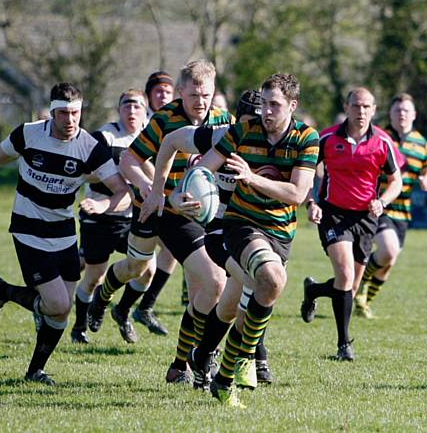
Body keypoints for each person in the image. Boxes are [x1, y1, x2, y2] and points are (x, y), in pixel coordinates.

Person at [0, 83, 128, 385]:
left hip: (64, 233)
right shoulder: (29, 134)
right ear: (51, 113)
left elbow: (122, 191)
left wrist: (103, 205)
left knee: (60, 310)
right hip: (28, 228)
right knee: (58, 305)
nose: (70, 120)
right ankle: (6, 298)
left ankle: (29, 357)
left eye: (75, 113)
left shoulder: (90, 147)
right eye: (63, 113)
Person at [87, 59, 233, 384]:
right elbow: (129, 159)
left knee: (210, 282)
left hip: (183, 215)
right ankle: (104, 296)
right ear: (181, 92)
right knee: (135, 268)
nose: (200, 101)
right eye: (193, 94)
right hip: (150, 206)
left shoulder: (225, 122)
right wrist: (150, 190)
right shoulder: (166, 120)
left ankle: (185, 363)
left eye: (206, 95)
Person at [189, 73, 319, 407]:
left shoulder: (306, 138)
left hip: (280, 233)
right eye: (264, 104)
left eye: (275, 105)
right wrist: (180, 193)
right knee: (272, 279)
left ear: (292, 105)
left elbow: (298, 193)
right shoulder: (243, 130)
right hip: (241, 224)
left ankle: (207, 357)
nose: (267, 112)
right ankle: (234, 368)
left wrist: (251, 178)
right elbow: (204, 168)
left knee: (238, 304)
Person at [140, 90, 274, 388]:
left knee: (229, 297)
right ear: (240, 120)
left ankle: (191, 359)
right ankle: (244, 358)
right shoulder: (220, 136)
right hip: (213, 228)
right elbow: (172, 140)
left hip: (250, 229)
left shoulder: (273, 144)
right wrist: (164, 191)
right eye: (252, 120)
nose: (258, 127)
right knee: (250, 281)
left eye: (262, 119)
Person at [300, 87, 402, 362]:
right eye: (356, 106)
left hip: (366, 218)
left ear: (374, 109)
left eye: (367, 107)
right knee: (344, 274)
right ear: (346, 107)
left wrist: (382, 202)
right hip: (333, 213)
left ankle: (314, 290)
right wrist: (312, 203)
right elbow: (305, 173)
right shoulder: (327, 138)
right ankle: (344, 344)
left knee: (351, 286)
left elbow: (396, 182)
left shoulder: (382, 143)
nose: (361, 112)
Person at [70, 89, 154, 345]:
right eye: (126, 106)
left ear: (145, 111)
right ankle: (79, 327)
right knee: (95, 276)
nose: (132, 111)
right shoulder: (104, 136)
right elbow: (86, 174)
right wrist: (113, 171)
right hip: (99, 213)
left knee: (147, 270)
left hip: (132, 214)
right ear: (119, 110)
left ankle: (122, 310)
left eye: (137, 106)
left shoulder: (151, 137)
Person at [354, 93, 427, 319]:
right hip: (378, 206)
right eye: (397, 110)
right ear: (389, 113)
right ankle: (358, 286)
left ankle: (364, 301)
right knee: (388, 250)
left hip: (403, 211)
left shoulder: (422, 143)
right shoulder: (380, 136)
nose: (402, 114)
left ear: (414, 115)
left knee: (389, 261)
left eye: (406, 111)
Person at [131, 71, 180, 336]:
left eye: (167, 91)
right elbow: (133, 158)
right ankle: (100, 304)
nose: (163, 96)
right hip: (137, 203)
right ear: (149, 96)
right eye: (158, 91)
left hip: (170, 203)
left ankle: (145, 306)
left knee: (171, 251)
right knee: (133, 267)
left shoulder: (181, 120)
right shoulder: (144, 122)